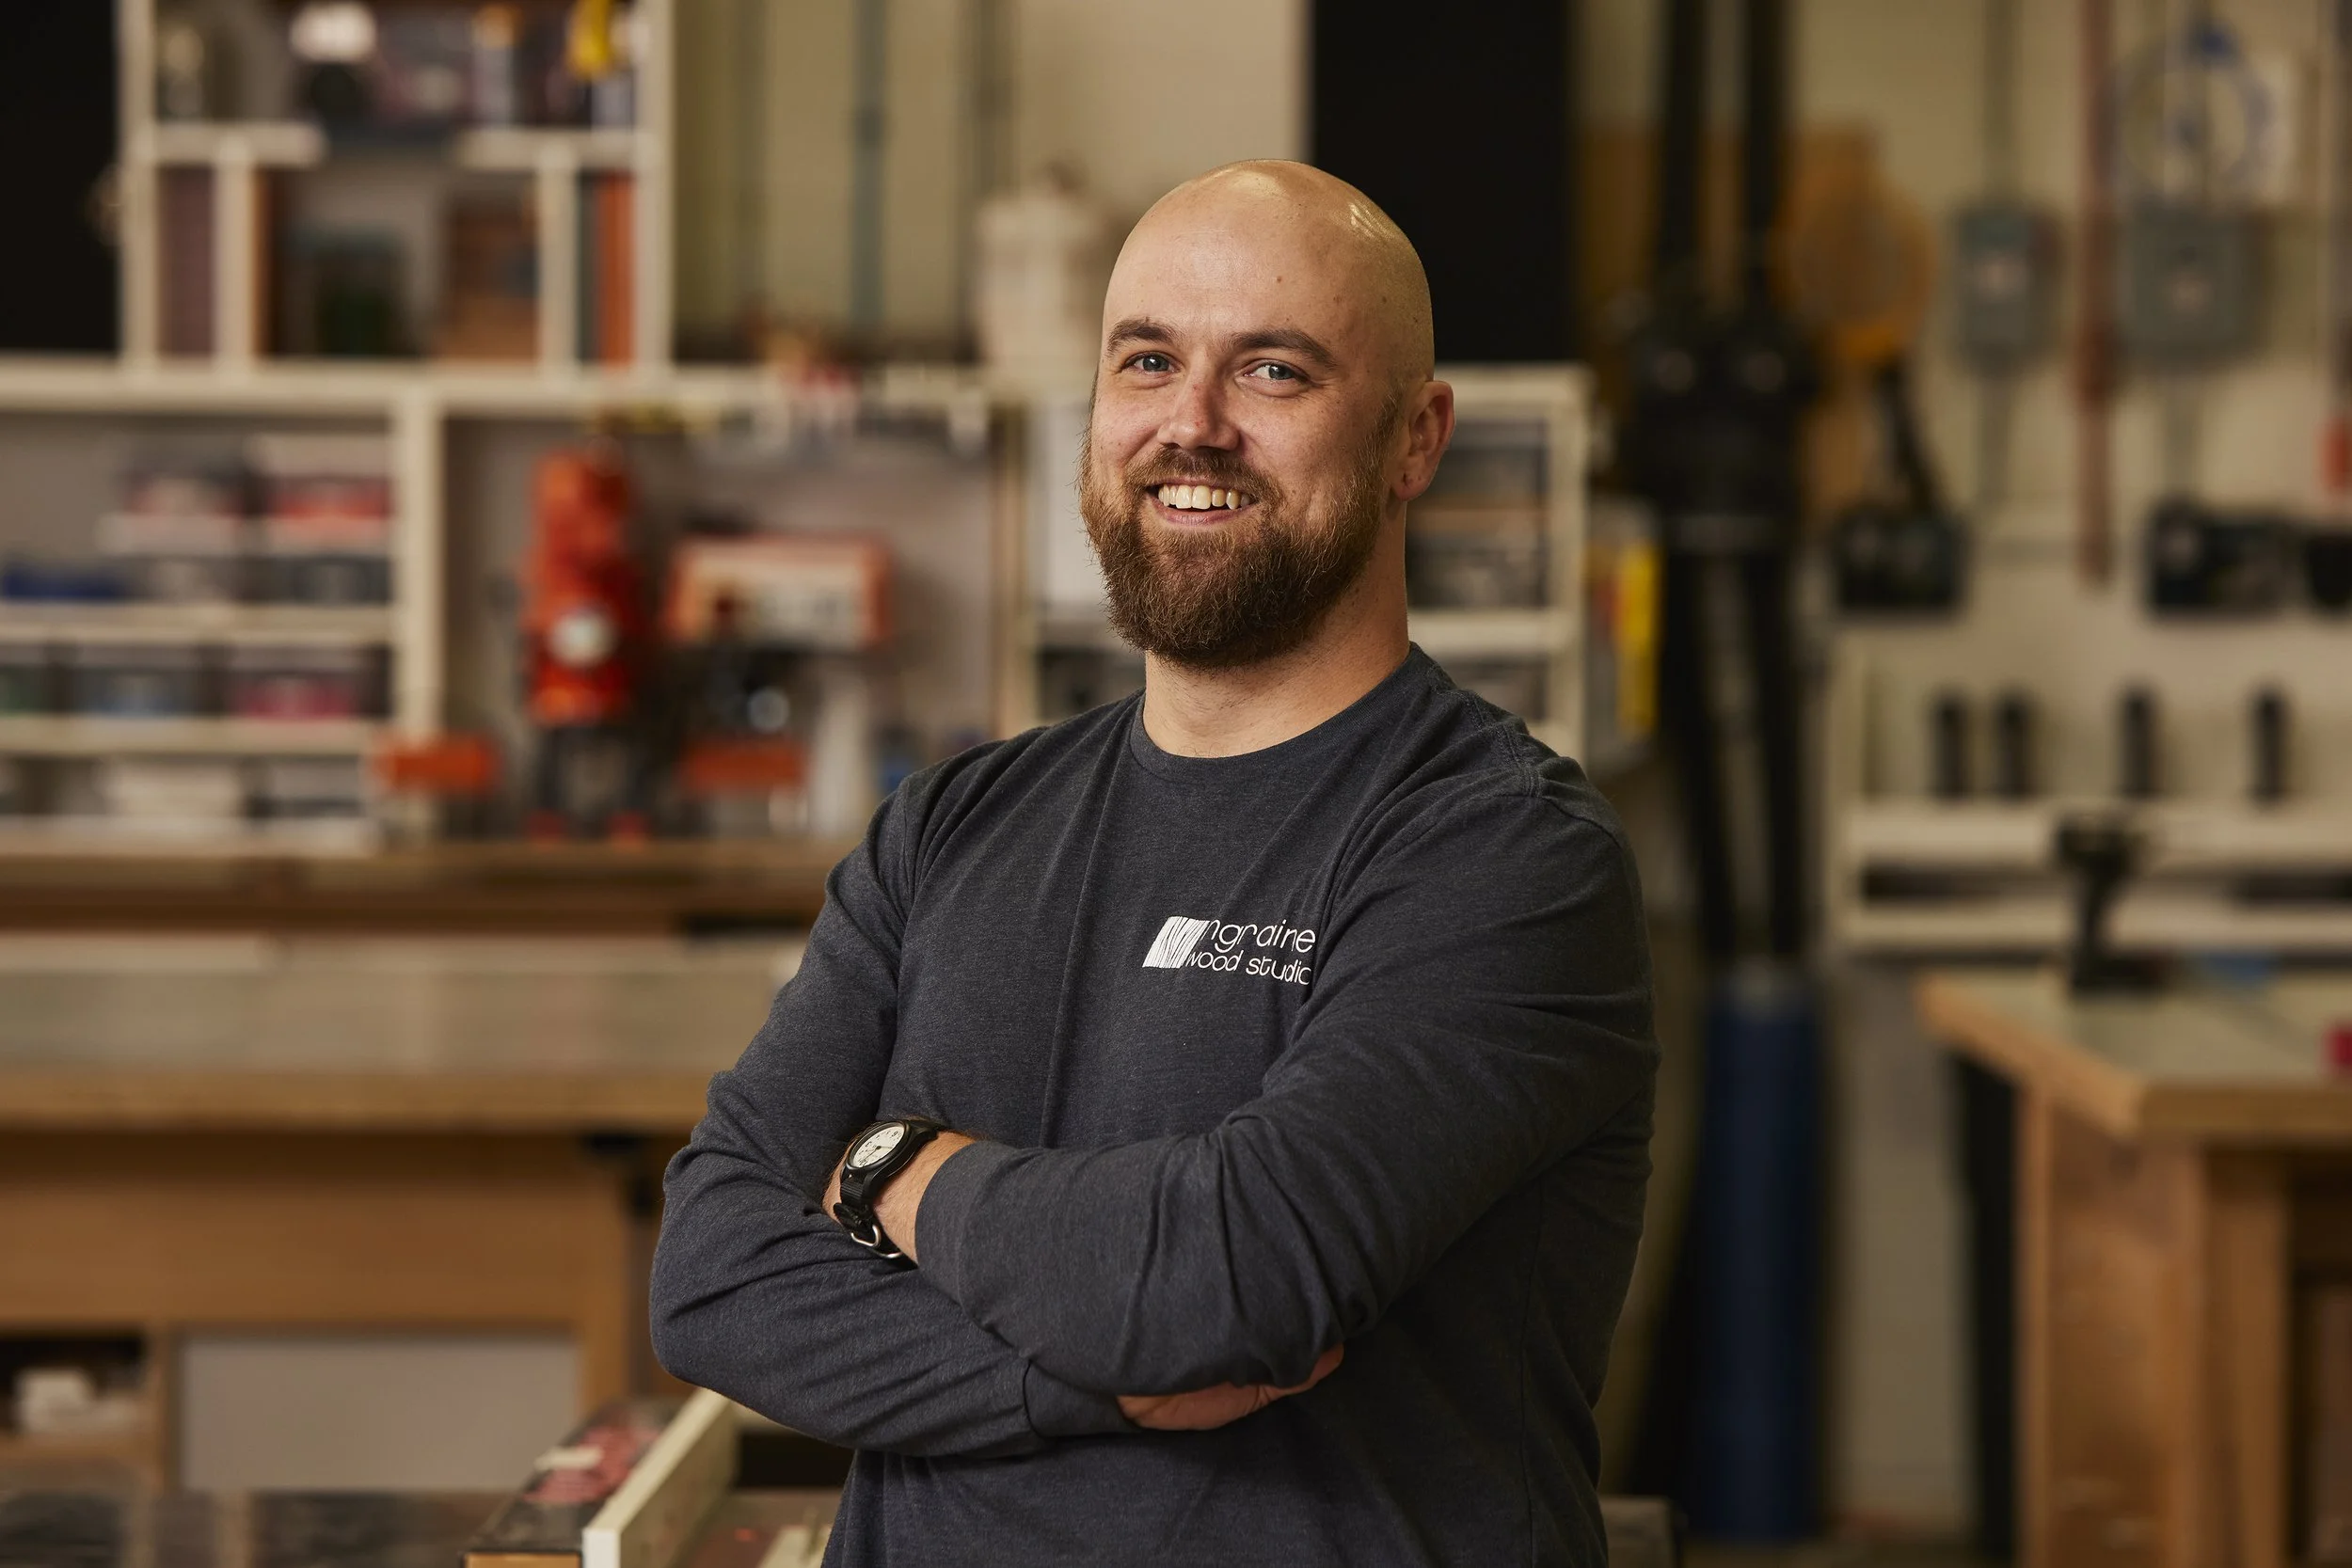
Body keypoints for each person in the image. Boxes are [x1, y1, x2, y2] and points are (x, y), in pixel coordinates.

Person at [651, 160, 1657, 1567]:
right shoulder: (948, 828)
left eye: (1274, 371)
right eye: (1147, 361)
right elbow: (710, 1270)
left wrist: (892, 1170)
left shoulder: (1504, 852)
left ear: (1415, 439)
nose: (1193, 425)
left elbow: (1227, 1279)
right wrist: (1076, 1377)